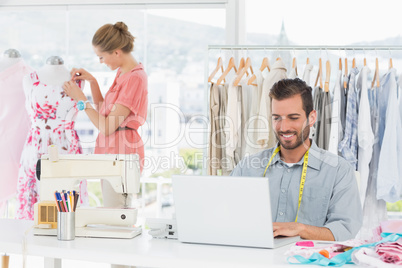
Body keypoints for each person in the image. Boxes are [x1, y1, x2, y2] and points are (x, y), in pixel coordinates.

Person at [230, 78, 362, 241]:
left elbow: (345, 230)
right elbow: (227, 216)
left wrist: (301, 229)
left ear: (312, 117)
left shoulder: (338, 171)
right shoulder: (247, 168)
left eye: (293, 117)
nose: (283, 127)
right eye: (277, 118)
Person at [63, 22, 148, 208]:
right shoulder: (123, 73)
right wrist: (92, 82)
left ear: (117, 52)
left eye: (101, 57)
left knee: (116, 212)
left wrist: (81, 100)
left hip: (122, 152)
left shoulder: (134, 77)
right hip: (112, 150)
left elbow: (107, 126)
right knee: (113, 210)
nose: (101, 62)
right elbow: (105, 111)